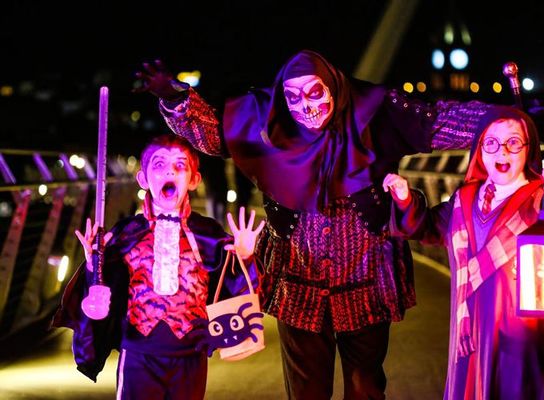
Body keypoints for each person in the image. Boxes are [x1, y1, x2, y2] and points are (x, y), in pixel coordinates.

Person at [133, 49, 498, 399]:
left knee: (365, 387)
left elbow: (441, 121)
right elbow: (214, 134)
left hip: (366, 280)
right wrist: (172, 97)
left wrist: (507, 120)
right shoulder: (269, 120)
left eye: (314, 93)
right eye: (293, 98)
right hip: (297, 286)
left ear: (333, 87)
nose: (306, 107)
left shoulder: (375, 113)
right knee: (306, 391)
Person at [383, 106, 544, 400]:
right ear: (480, 150)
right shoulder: (465, 199)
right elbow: (429, 228)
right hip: (467, 327)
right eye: (491, 143)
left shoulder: (541, 197)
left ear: (528, 148)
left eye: (513, 142)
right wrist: (406, 198)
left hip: (519, 332)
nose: (502, 153)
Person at [51, 134, 265, 399]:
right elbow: (101, 291)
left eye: (180, 165)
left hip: (191, 353)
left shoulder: (207, 233)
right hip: (138, 352)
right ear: (143, 179)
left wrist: (244, 257)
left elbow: (240, 287)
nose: (170, 171)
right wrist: (95, 266)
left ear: (194, 179)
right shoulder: (126, 233)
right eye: (159, 164)